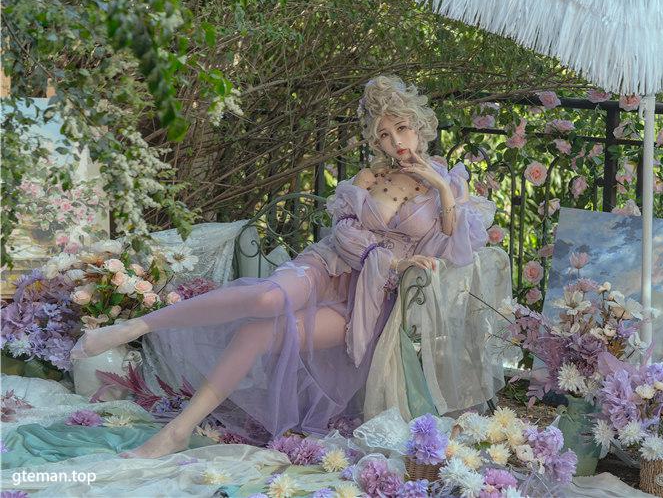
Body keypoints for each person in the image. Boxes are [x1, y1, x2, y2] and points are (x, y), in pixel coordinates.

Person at [70, 75, 496, 458]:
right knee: (266, 299)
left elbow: (455, 245)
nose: (395, 141)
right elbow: (345, 236)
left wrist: (440, 188)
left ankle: (177, 432)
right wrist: (393, 260)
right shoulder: (369, 179)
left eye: (401, 128)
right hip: (327, 267)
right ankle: (138, 327)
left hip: (366, 301)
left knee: (256, 332)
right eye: (384, 134)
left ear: (419, 127)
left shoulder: (448, 185)